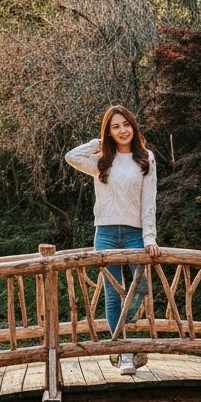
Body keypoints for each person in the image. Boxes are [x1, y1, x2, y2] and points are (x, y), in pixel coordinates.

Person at [66, 105, 161, 375]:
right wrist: (99, 142)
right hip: (105, 233)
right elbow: (71, 156)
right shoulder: (100, 161)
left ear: (134, 126)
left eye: (126, 124)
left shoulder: (146, 159)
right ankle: (124, 353)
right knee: (112, 294)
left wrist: (149, 236)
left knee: (141, 284)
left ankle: (124, 324)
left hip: (134, 233)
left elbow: (149, 201)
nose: (123, 130)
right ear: (109, 131)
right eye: (115, 126)